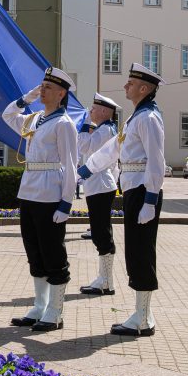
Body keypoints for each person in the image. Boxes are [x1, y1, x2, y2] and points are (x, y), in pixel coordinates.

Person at [80, 62, 165, 337]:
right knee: (134, 251)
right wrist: (85, 169)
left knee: (141, 252)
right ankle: (142, 315)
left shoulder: (149, 118)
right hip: (133, 189)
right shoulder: (135, 118)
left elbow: (157, 160)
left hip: (142, 190)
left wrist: (151, 198)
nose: (126, 86)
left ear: (143, 88)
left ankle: (143, 318)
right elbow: (111, 149)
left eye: (131, 83)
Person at [3, 67, 79, 332]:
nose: (42, 90)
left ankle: (55, 311)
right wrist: (27, 97)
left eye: (47, 87)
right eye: (42, 86)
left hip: (50, 193)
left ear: (61, 94)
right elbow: (8, 115)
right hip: (30, 191)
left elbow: (70, 164)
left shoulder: (64, 124)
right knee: (34, 251)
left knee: (52, 252)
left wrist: (66, 202)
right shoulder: (35, 119)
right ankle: (39, 305)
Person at [78, 94, 121, 296]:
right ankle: (105, 279)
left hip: (100, 185)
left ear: (104, 111)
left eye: (93, 109)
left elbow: (84, 146)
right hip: (99, 184)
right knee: (101, 231)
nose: (91, 112)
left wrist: (85, 123)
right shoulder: (106, 129)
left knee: (101, 232)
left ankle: (105, 281)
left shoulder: (104, 130)